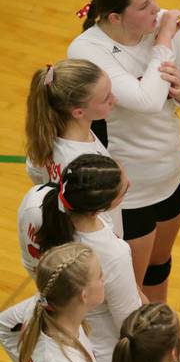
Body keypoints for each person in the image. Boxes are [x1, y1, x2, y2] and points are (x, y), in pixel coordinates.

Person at [67, 0, 180, 313]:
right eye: (144, 5)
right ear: (114, 17)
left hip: (171, 171)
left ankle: (163, 344)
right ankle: (138, 360)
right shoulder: (87, 52)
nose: (157, 10)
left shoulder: (160, 25)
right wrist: (164, 39)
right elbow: (146, 100)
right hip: (129, 189)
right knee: (131, 290)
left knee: (161, 265)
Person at [17, 154, 140, 362]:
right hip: (100, 354)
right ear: (99, 208)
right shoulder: (112, 253)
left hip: (54, 333)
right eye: (123, 189)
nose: (129, 183)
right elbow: (129, 322)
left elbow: (31, 265)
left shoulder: (34, 201)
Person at [23, 59, 121, 235]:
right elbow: (97, 221)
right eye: (106, 98)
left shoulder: (49, 133)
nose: (115, 99)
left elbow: (34, 171)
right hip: (96, 246)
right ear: (78, 112)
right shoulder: (82, 161)